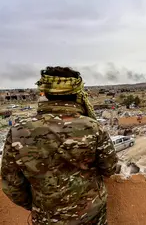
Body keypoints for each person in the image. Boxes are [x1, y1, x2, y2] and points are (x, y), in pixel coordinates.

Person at [1, 66, 119, 225]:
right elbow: (109, 168)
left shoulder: (18, 131)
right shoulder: (93, 127)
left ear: (45, 93)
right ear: (77, 93)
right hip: (91, 216)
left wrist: (40, 207)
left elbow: (11, 184)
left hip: (46, 218)